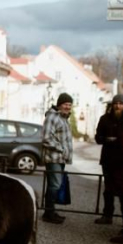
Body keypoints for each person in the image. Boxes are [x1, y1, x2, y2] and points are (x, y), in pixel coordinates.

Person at [41, 92, 74, 224]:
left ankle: (50, 211)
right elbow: (46, 138)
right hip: (53, 157)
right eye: (66, 104)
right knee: (55, 185)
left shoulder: (63, 118)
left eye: (70, 105)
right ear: (60, 104)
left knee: (54, 184)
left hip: (60, 158)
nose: (68, 107)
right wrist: (62, 149)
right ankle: (48, 214)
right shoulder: (52, 117)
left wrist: (65, 153)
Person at [94, 94, 123, 225]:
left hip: (122, 161)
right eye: (116, 103)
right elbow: (98, 138)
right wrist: (105, 139)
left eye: (121, 103)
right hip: (108, 159)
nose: (118, 106)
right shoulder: (104, 119)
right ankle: (107, 215)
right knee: (108, 190)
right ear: (112, 105)